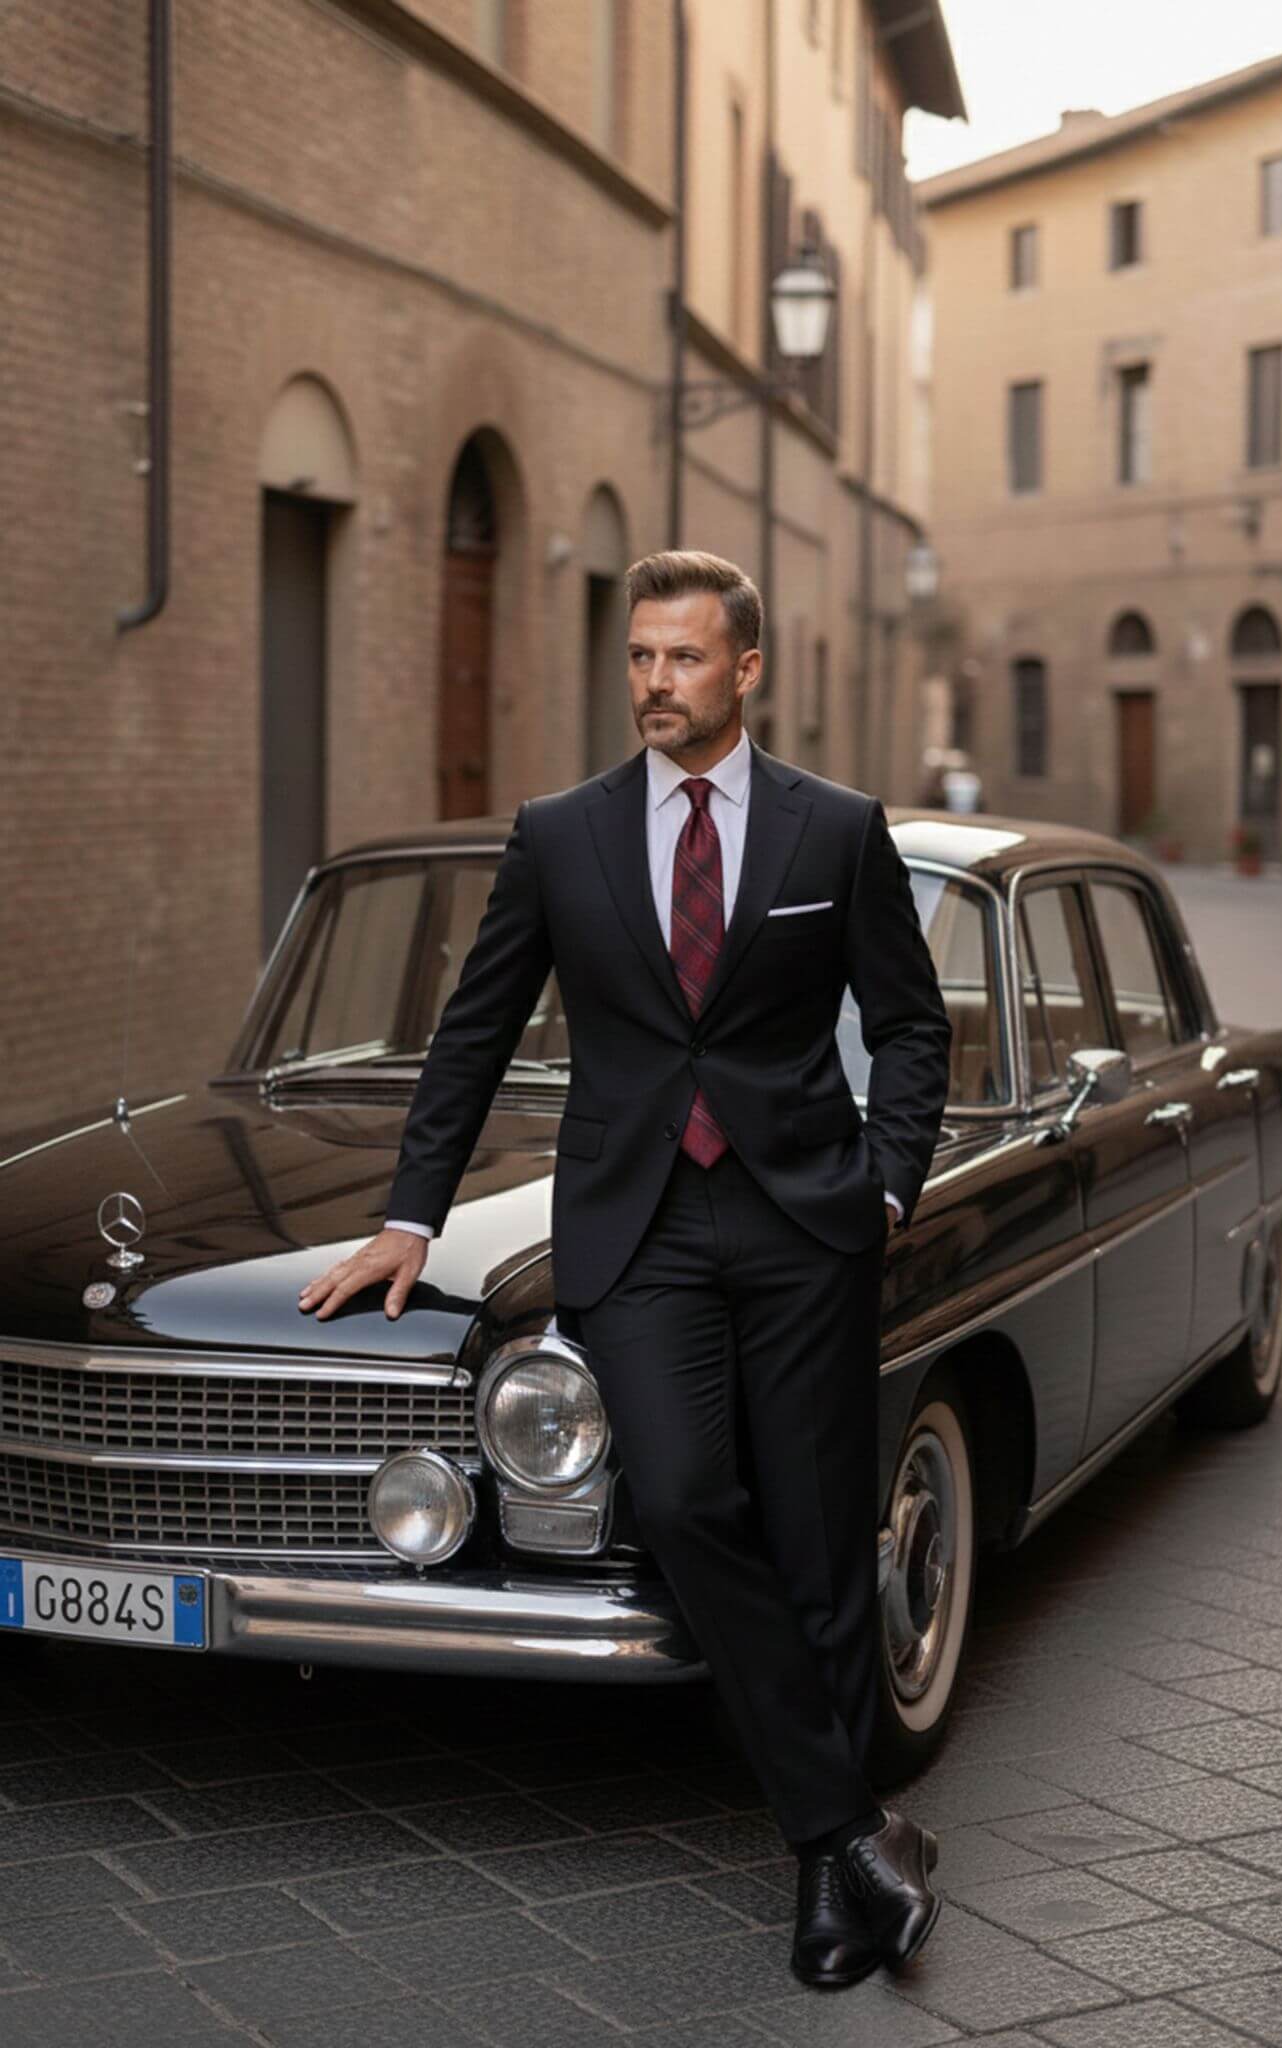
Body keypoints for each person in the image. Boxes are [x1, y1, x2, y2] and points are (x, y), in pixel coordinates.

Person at [298, 549, 952, 1990]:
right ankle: (851, 1827)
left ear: (745, 669)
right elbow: (471, 1033)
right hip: (637, 1226)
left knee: (823, 1535)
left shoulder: (835, 831)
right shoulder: (562, 833)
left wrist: (888, 1180)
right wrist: (410, 1213)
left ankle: (821, 1884)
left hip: (802, 1226)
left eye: (681, 658)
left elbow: (909, 1024)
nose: (652, 681)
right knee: (677, 1496)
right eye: (640, 659)